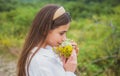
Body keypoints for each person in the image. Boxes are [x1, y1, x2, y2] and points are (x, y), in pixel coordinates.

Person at [17, 4, 79, 76]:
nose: (64, 38)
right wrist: (70, 72)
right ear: (45, 30)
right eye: (61, 33)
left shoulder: (49, 52)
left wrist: (67, 61)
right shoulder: (39, 62)